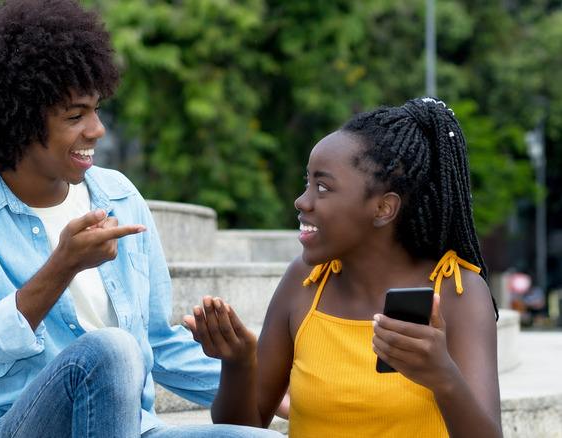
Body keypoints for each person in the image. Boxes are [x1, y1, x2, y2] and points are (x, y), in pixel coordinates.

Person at [0, 1, 283, 437]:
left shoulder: (118, 195)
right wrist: (61, 266)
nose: (97, 129)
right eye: (75, 115)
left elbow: (156, 343)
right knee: (112, 349)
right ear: (19, 121)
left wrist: (282, 390)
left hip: (132, 427)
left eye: (96, 109)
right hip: (20, 428)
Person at [184, 97, 503, 437]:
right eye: (307, 183)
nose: (302, 201)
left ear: (383, 208)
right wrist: (238, 364)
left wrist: (443, 377)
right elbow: (247, 429)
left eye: (322, 187)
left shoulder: (457, 291)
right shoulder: (304, 282)